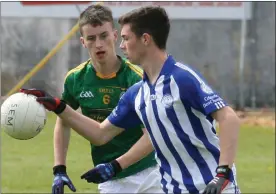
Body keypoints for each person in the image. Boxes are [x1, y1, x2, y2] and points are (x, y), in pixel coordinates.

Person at [21, 5, 241, 194]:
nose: (122, 45)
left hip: (210, 186)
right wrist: (58, 106)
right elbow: (100, 134)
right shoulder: (137, 93)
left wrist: (222, 174)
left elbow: (229, 118)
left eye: (125, 39)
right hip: (173, 188)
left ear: (145, 39)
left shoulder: (180, 78)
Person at [43, 4, 162, 194]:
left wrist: (117, 165)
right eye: (91, 38)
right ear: (83, 41)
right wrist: (59, 169)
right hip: (110, 179)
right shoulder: (75, 79)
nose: (98, 44)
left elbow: (152, 136)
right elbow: (64, 121)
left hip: (150, 173)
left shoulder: (137, 78)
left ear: (115, 36)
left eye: (104, 36)